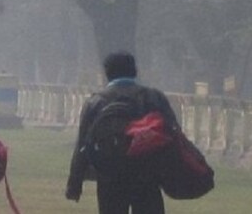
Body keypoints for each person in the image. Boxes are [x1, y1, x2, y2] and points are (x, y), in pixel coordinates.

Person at [65, 51, 180, 214]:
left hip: (109, 174)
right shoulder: (153, 98)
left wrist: (74, 184)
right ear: (135, 71)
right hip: (147, 173)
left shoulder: (96, 102)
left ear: (107, 73)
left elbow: (83, 145)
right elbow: (173, 135)